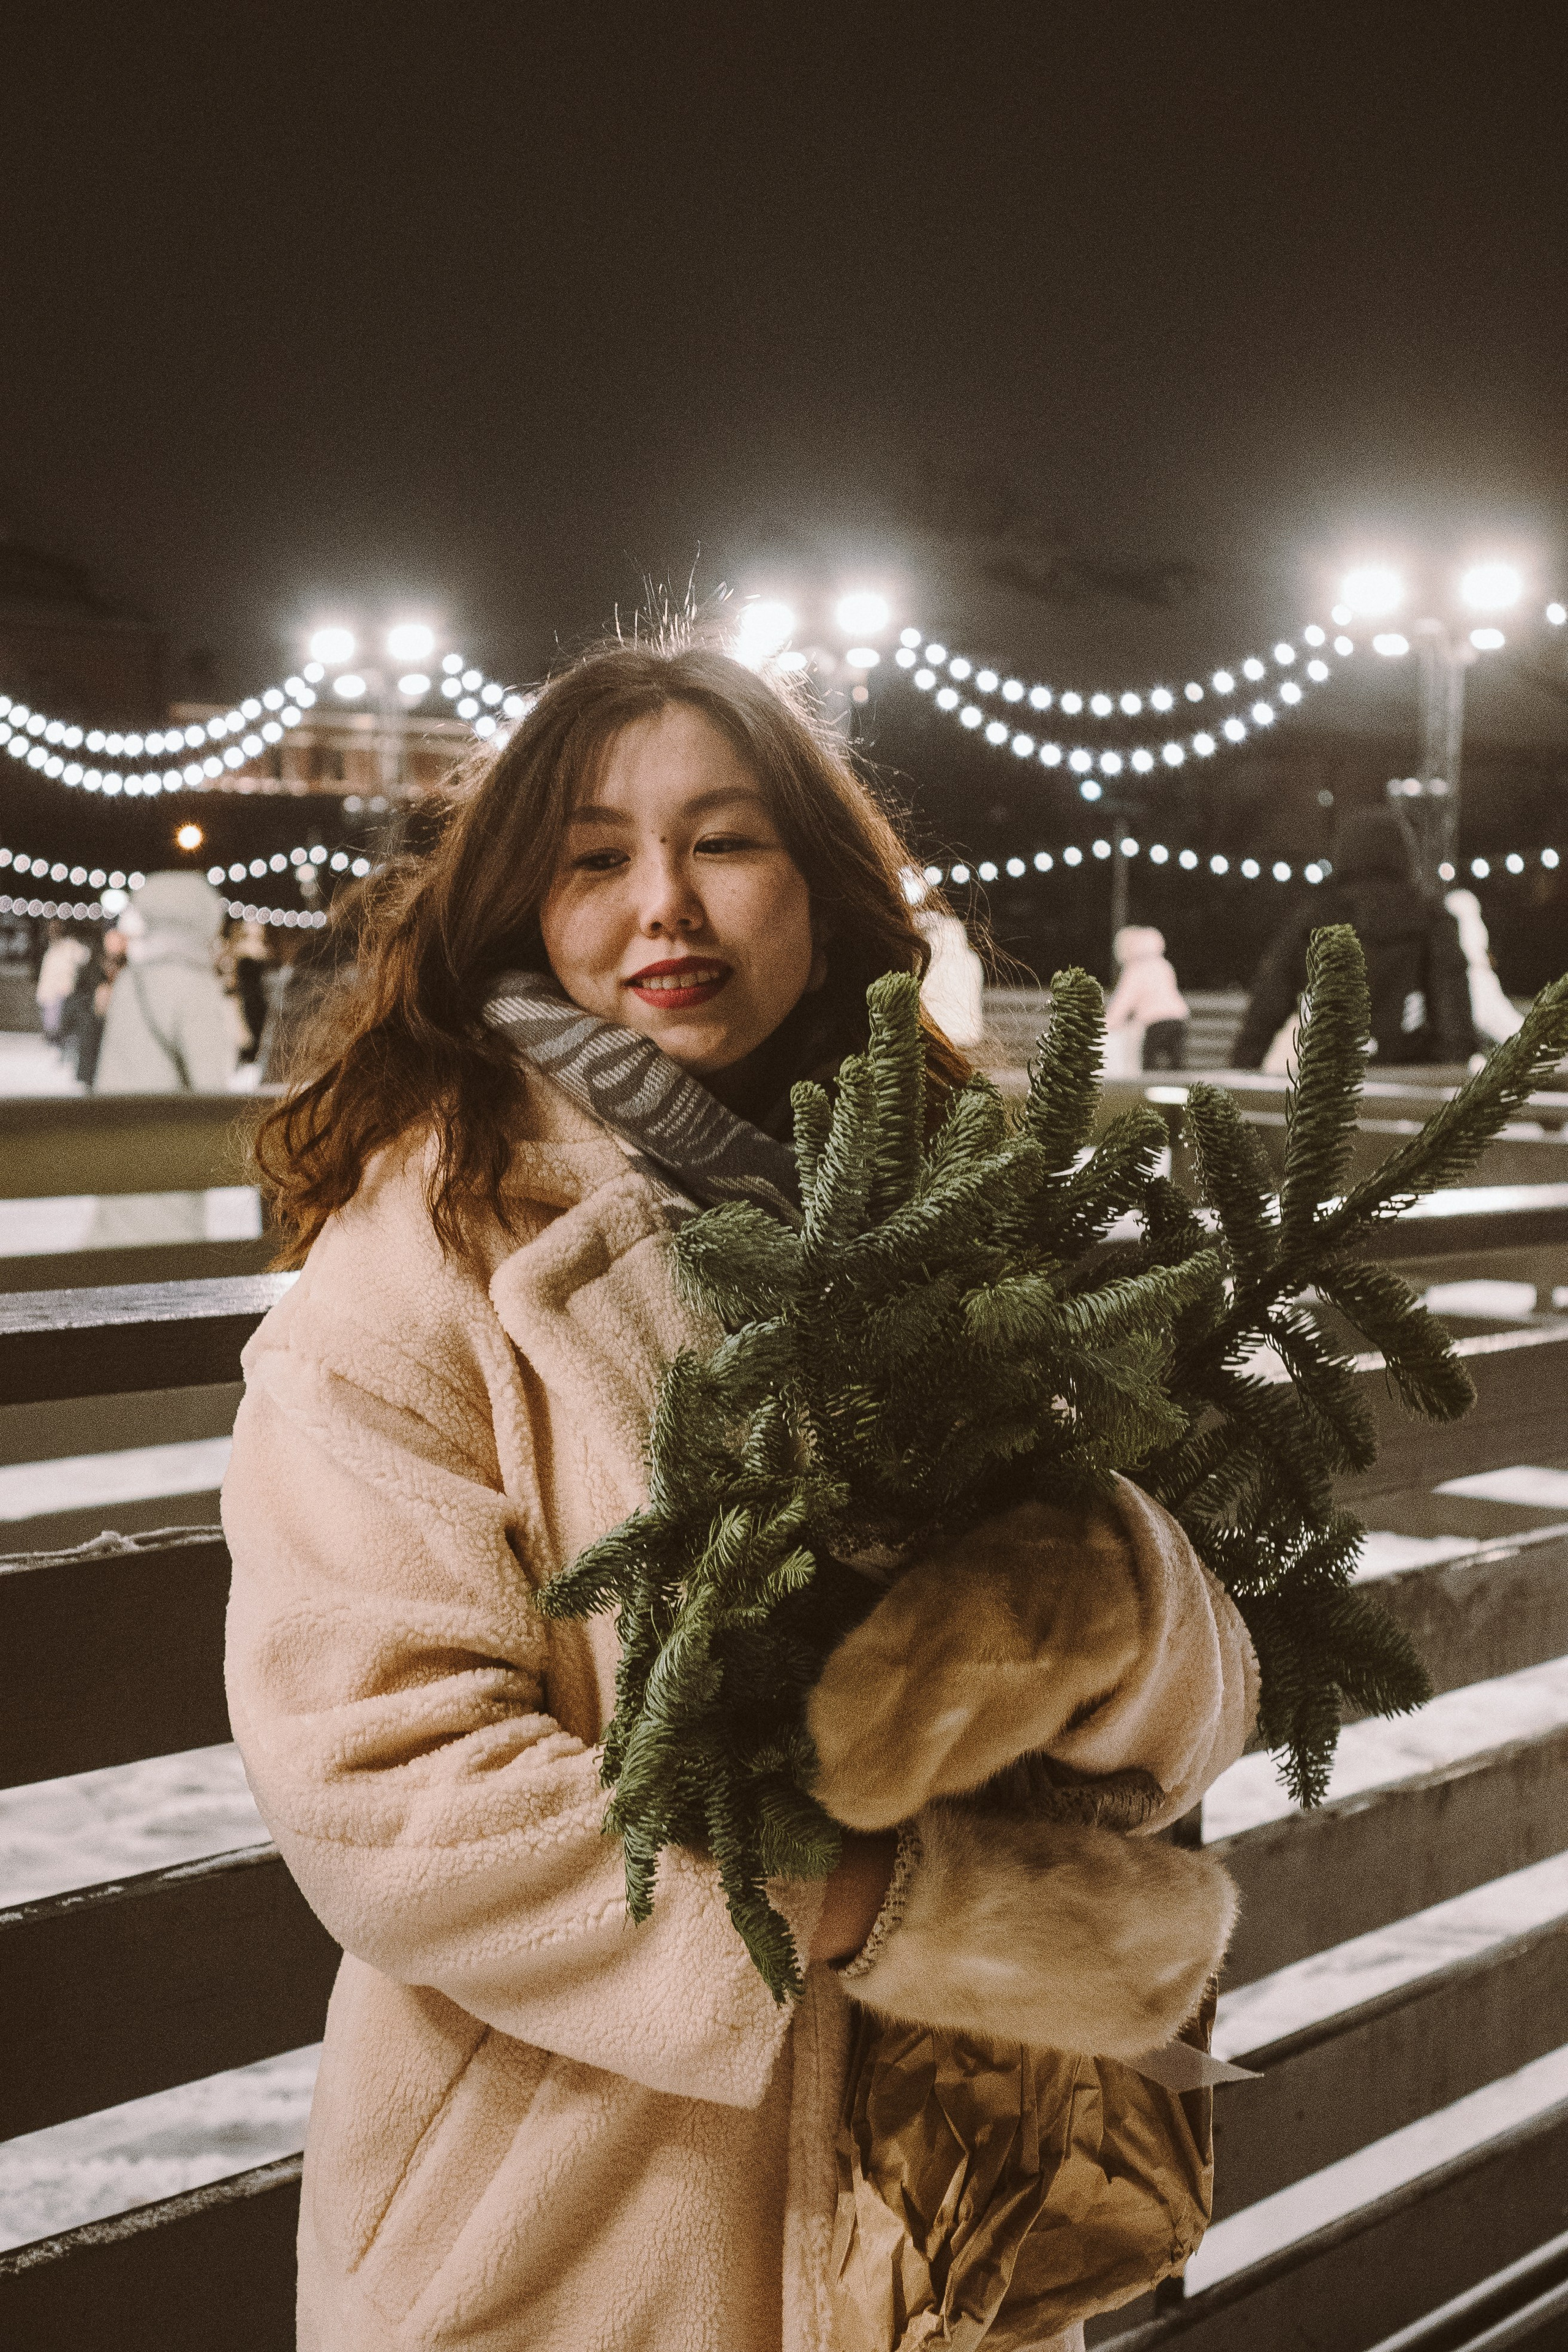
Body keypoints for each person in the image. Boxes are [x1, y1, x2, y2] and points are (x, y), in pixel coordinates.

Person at [224, 638, 1255, 2352]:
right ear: (519, 908)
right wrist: (888, 1916)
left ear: (820, 884)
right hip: (575, 2239)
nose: (665, 909)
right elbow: (384, 1780)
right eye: (596, 858)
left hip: (931, 2238)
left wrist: (1104, 1601)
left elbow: (1194, 1691)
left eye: (724, 841)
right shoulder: (425, 1267)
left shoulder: (957, 1217)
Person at [1232, 807, 1476, 1069]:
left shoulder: (1314, 918)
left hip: (1331, 1080)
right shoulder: (1432, 919)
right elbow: (1454, 1018)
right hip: (1409, 1075)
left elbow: (1268, 1005)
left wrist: (1242, 1068)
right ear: (1405, 855)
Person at [85, 870, 238, 1244]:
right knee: (169, 1246)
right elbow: (213, 1087)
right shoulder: (194, 986)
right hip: (170, 1149)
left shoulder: (130, 981)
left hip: (118, 1140)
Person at [1444, 886, 1523, 1046]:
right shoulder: (1470, 920)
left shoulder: (1463, 920)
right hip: (1478, 976)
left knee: (1503, 1024)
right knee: (1505, 1024)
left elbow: (1473, 951)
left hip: (1477, 977)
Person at [1104, 924, 1189, 1071]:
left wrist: (1107, 1024)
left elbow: (1124, 1000)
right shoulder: (1164, 965)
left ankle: (1147, 1089)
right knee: (1176, 1062)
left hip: (1154, 1023)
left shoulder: (1135, 969)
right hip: (1178, 1019)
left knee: (1147, 1062)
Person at [34, 920, 90, 1044]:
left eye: (56, 928)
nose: (52, 931)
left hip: (63, 992)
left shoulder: (70, 945)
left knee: (58, 1025)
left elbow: (85, 957)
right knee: (51, 1024)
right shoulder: (51, 949)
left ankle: (57, 1039)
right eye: (51, 929)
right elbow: (46, 973)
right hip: (49, 992)